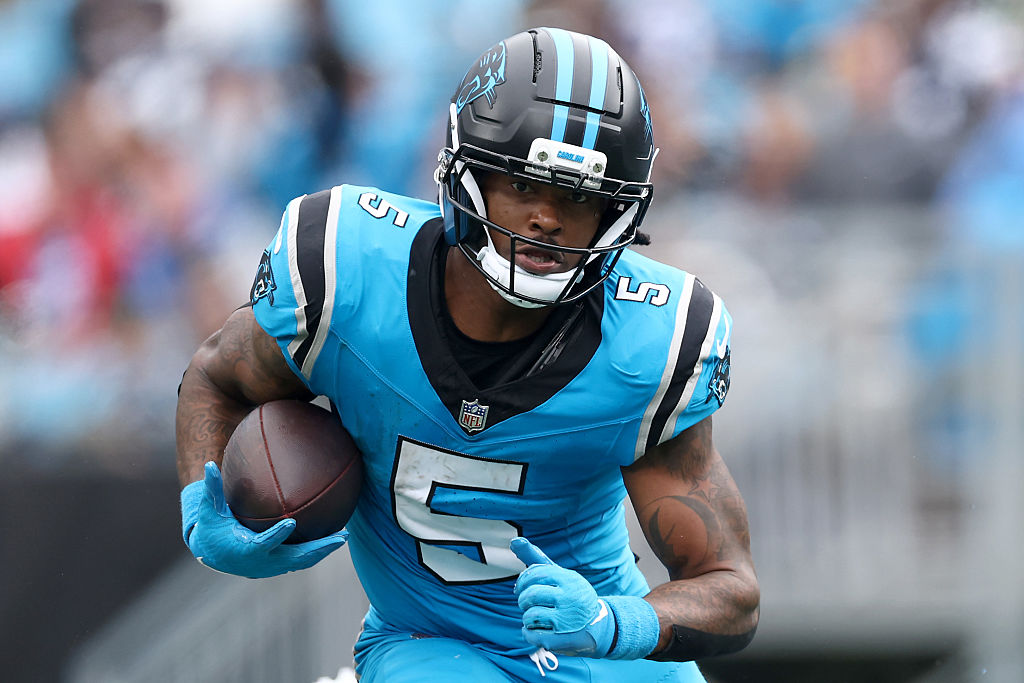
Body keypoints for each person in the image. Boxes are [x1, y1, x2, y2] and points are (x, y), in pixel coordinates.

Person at [176, 27, 759, 682]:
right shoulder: (346, 275)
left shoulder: (649, 344)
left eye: (578, 199)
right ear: (467, 170)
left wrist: (618, 621)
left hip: (596, 646)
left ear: (616, 214)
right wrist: (203, 500)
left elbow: (729, 586)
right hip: (432, 646)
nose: (546, 218)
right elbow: (217, 375)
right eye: (523, 185)